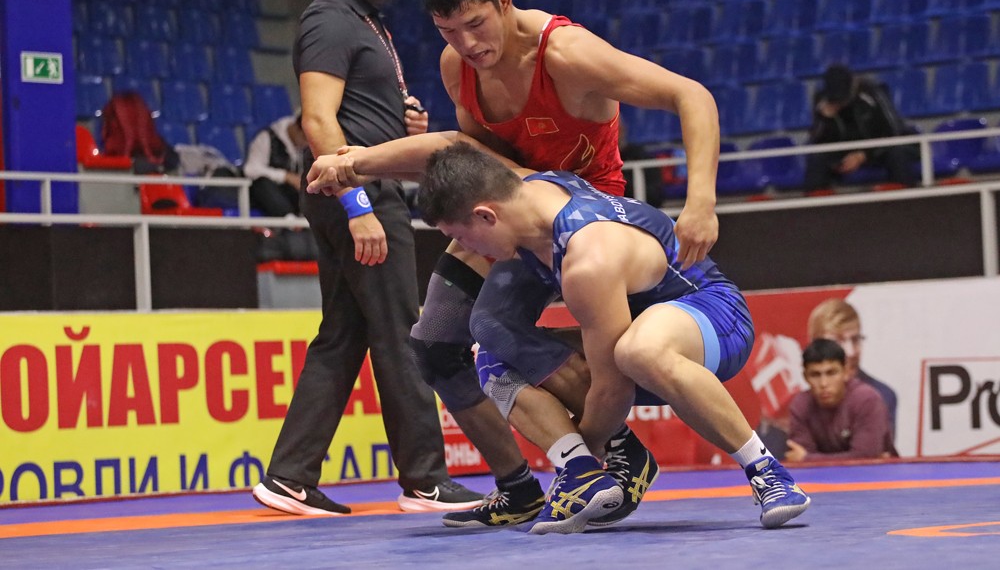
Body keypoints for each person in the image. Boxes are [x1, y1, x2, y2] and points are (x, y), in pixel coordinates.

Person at [370, 0, 720, 529]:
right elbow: (476, 162)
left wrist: (701, 201)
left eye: (476, 24)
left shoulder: (567, 54)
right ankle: (523, 487)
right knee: (435, 345)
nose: (468, 44)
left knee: (497, 329)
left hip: (588, 219)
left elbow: (691, 95)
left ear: (504, 1)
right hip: (515, 212)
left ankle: (612, 450)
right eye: (449, 31)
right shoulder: (457, 65)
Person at [311, 138, 810, 532]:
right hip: (641, 323)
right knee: (494, 351)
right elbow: (447, 146)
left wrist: (585, 441)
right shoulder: (522, 194)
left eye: (461, 237)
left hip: (711, 317)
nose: (466, 250)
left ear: (486, 215)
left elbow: (612, 388)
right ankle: (581, 475)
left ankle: (766, 471)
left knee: (636, 351)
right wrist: (356, 164)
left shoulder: (586, 259)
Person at [251, 0, 482, 517]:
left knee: (342, 335)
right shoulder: (330, 19)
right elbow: (317, 120)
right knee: (404, 331)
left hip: (360, 189)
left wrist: (403, 128)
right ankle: (425, 479)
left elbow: (351, 113)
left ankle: (290, 476)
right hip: (358, 196)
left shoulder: (363, 20)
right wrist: (358, 206)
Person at [804, 64, 918, 192]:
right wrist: (825, 120)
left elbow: (893, 130)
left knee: (897, 152)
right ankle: (817, 197)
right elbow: (817, 141)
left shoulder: (872, 92)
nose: (841, 103)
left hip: (879, 148)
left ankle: (902, 191)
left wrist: (864, 155)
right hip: (844, 150)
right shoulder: (822, 100)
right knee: (817, 158)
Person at [785, 339, 895, 462]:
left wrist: (808, 459)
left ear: (846, 372)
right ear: (805, 377)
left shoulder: (867, 400)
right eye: (815, 375)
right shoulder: (800, 406)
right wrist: (807, 460)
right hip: (819, 474)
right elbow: (800, 460)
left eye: (831, 373)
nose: (824, 383)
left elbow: (865, 460)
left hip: (879, 473)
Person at [806, 297, 898, 440]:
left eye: (855, 340)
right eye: (838, 341)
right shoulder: (798, 399)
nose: (851, 352)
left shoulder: (882, 395)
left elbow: (873, 452)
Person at [243, 114, 308, 217]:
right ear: (296, 127)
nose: (306, 144)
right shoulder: (267, 137)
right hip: (265, 195)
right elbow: (251, 169)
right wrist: (285, 176)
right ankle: (288, 218)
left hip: (290, 196)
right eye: (305, 138)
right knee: (262, 183)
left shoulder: (305, 150)